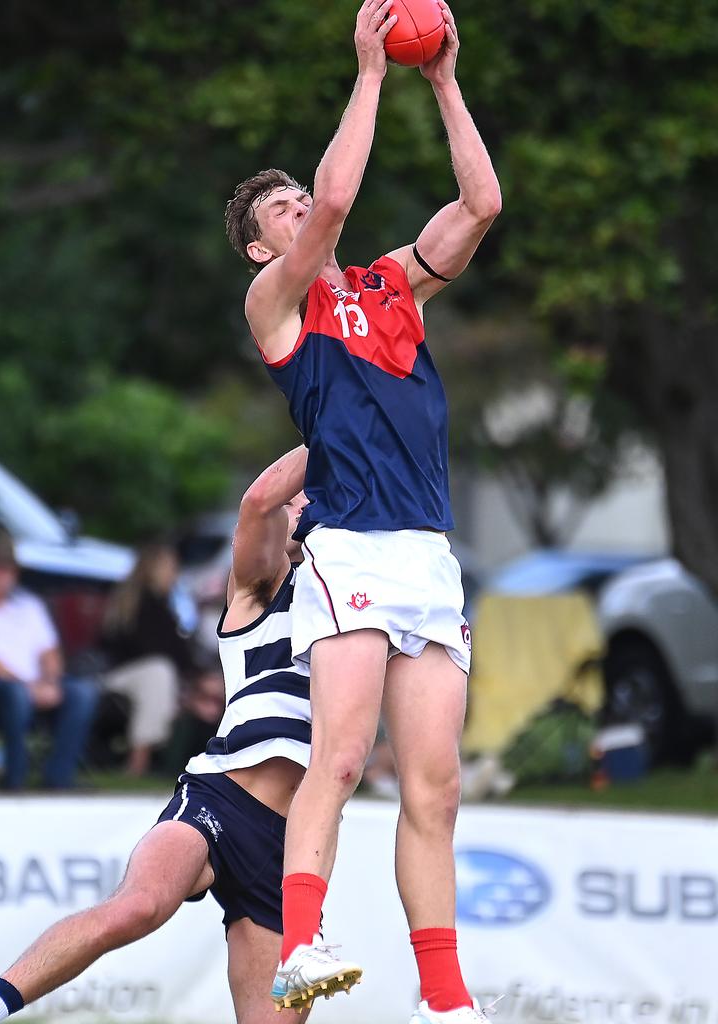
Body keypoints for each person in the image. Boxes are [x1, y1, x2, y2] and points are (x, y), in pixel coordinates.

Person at [224, 2, 501, 1021]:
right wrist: (373, 70)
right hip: (346, 547)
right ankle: (304, 950)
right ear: (261, 254)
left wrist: (442, 79)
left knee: (436, 789)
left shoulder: (392, 288)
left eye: (298, 196)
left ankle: (448, 1001)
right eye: (280, 212)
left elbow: (480, 202)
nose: (301, 207)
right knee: (337, 758)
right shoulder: (280, 308)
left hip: (428, 555)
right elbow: (341, 195)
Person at [0, 445, 314, 1024]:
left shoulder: (352, 609)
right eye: (299, 501)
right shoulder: (258, 585)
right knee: (138, 907)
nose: (306, 507)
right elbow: (259, 500)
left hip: (296, 840)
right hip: (222, 796)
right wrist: (341, 415)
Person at [0, 528, 99, 791]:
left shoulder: (29, 604)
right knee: (15, 694)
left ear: (14, 573)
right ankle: (14, 776)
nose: (0, 576)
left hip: (31, 682)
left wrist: (50, 681)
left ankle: (59, 775)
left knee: (81, 693)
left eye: (5, 569)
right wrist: (28, 686)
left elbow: (49, 650)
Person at [100, 542, 196, 776]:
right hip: (117, 676)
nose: (175, 575)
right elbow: (148, 650)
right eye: (171, 568)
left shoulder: (166, 605)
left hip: (155, 676)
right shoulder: (132, 604)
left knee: (166, 676)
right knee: (159, 673)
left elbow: (181, 654)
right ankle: (138, 760)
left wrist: (199, 679)